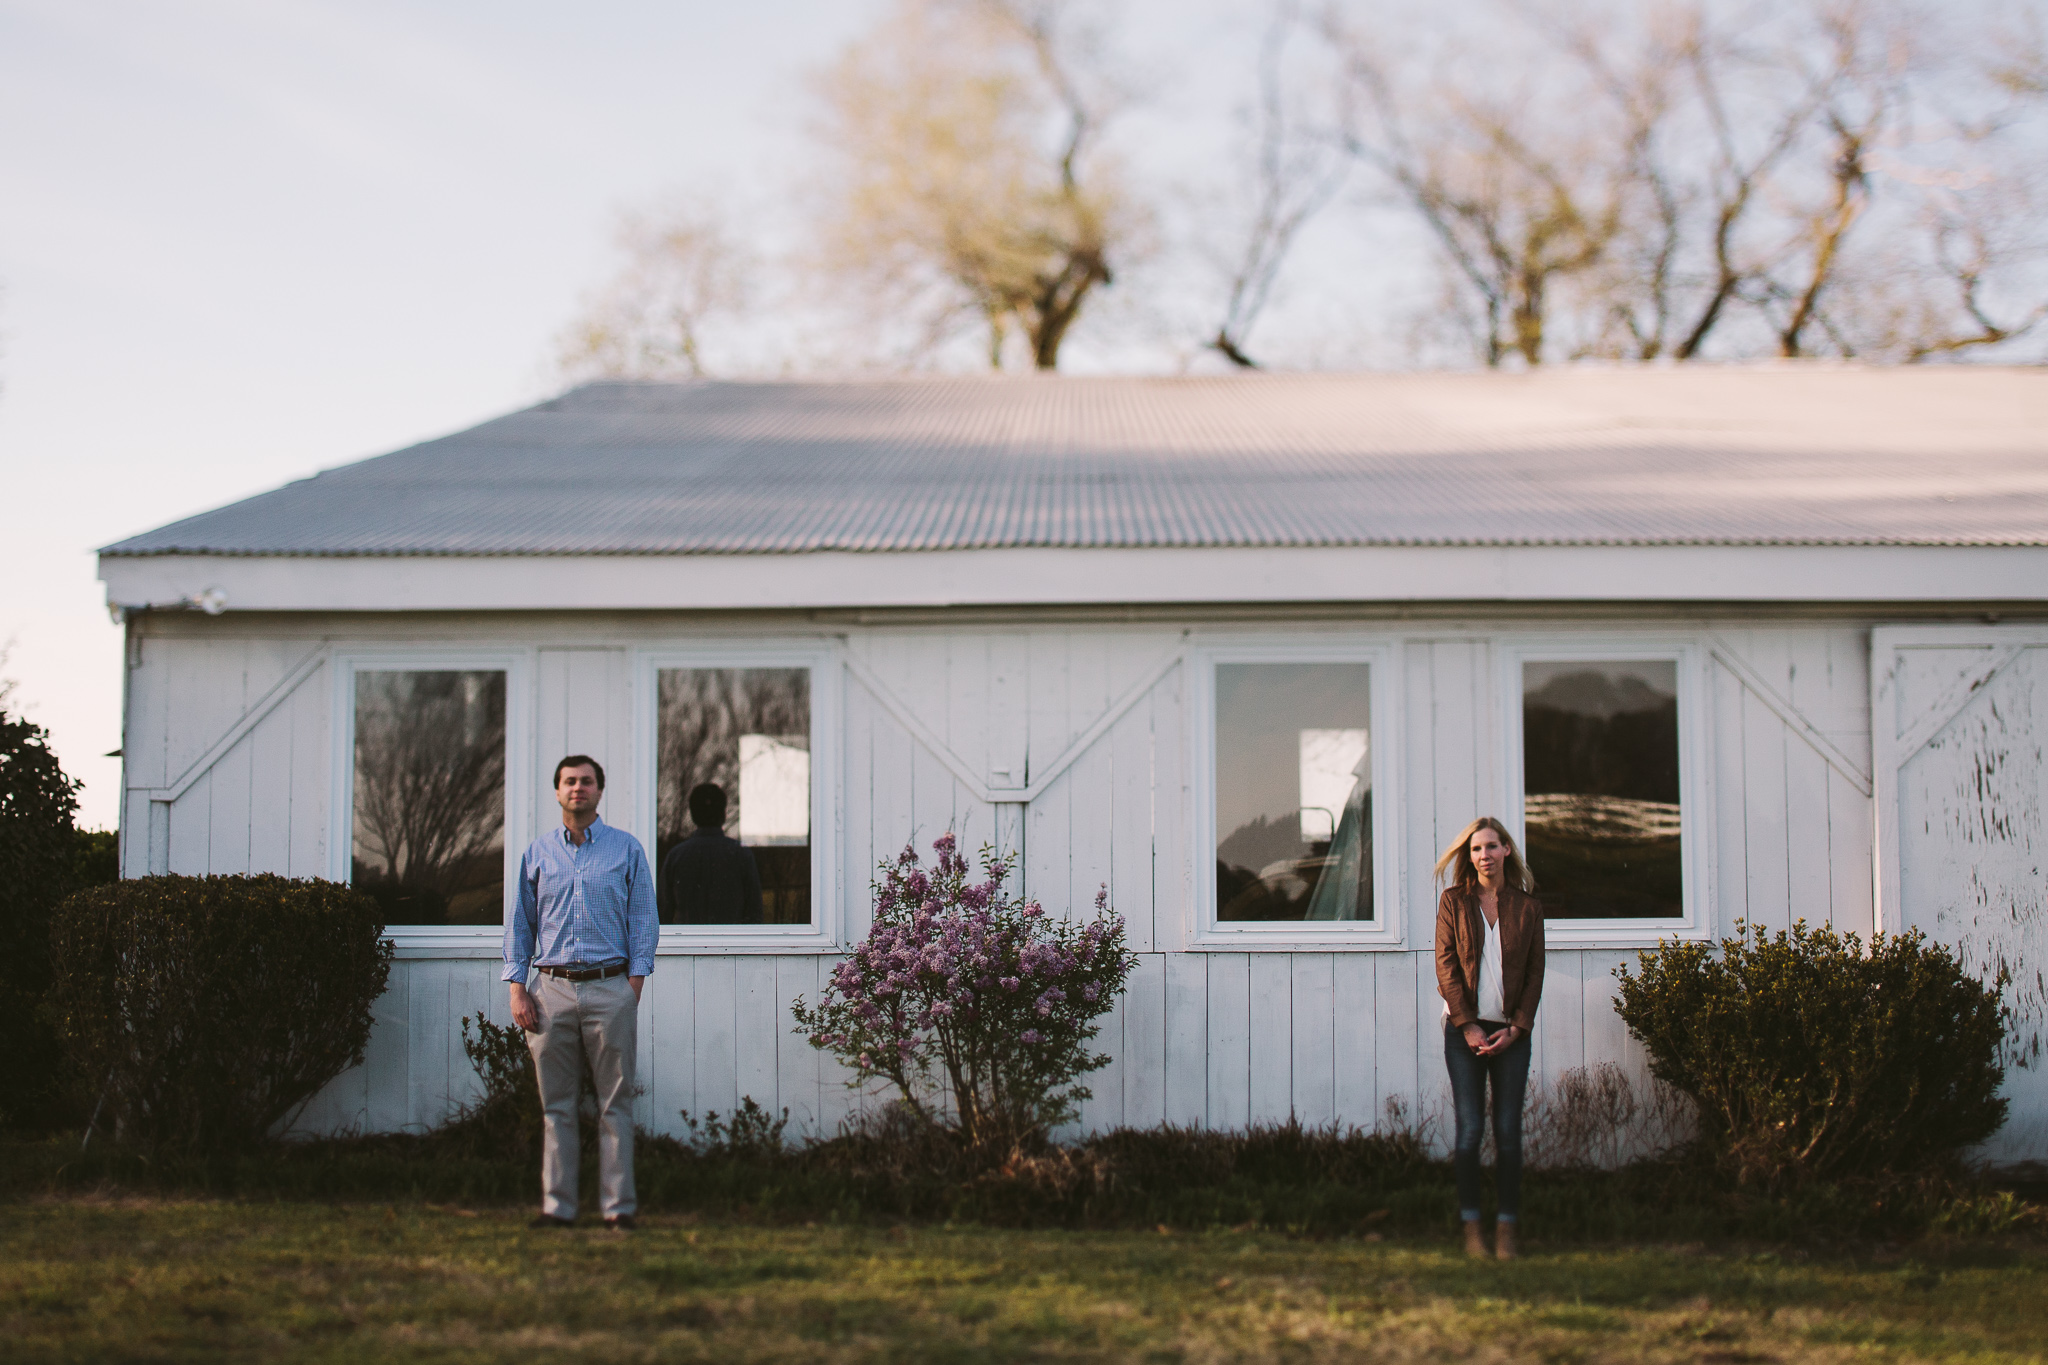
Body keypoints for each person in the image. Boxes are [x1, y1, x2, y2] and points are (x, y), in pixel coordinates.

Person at [504, 754, 656, 1230]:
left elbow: (643, 919)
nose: (578, 789)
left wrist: (633, 984)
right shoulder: (538, 853)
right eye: (569, 781)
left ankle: (618, 1209)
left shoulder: (626, 850)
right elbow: (521, 925)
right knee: (557, 1106)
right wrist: (517, 987)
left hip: (611, 988)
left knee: (615, 1103)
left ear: (599, 790)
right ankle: (559, 1208)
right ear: (556, 791)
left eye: (586, 781)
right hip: (550, 991)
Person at [1433, 815, 1545, 1261]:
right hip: (1464, 1032)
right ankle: (1471, 1227)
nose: (1485, 855)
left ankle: (1507, 1230)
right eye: (1477, 849)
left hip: (1511, 1035)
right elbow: (1446, 968)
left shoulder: (1527, 906)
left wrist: (1517, 1027)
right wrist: (1470, 1025)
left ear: (1506, 852)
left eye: (1492, 846)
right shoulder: (1452, 902)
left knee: (1508, 1133)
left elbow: (1535, 972)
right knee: (1470, 1131)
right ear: (1470, 856)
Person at [660, 782, 764, 924]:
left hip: (687, 944)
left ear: (692, 814)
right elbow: (755, 914)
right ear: (723, 814)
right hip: (733, 943)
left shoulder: (676, 856)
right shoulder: (741, 854)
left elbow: (662, 915)